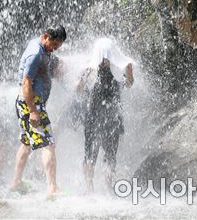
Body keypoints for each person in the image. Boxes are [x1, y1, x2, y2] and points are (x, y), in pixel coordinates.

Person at [10, 25, 67, 197]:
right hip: (31, 104)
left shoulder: (40, 46)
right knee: (48, 143)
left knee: (26, 142)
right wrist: (33, 111)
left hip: (29, 103)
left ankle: (16, 182)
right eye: (54, 45)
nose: (54, 49)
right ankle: (52, 188)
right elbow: (26, 83)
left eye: (58, 47)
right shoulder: (35, 53)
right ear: (45, 36)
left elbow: (41, 70)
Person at [76, 37, 134, 192]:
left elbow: (77, 89)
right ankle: (106, 190)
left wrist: (84, 86)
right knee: (108, 154)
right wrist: (129, 71)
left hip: (94, 116)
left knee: (90, 154)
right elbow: (128, 84)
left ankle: (91, 189)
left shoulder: (90, 68)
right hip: (111, 117)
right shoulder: (117, 68)